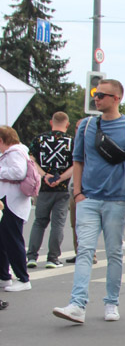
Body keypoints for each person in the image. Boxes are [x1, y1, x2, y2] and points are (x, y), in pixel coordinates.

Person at [53, 79, 125, 324]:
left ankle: (111, 303)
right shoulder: (86, 126)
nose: (97, 98)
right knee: (84, 251)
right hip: (88, 199)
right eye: (96, 94)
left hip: (117, 200)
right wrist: (78, 194)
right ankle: (77, 304)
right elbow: (78, 161)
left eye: (102, 95)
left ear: (116, 99)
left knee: (114, 253)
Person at [26, 111, 73, 268]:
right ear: (67, 124)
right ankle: (52, 258)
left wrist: (45, 175)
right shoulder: (72, 142)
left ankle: (31, 256)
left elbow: (31, 159)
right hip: (62, 188)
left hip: (44, 188)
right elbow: (76, 164)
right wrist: (60, 178)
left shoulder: (39, 140)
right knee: (58, 224)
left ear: (51, 123)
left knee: (39, 222)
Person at [0, 126, 33, 291]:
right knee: (4, 240)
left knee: (13, 240)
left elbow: (18, 173)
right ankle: (4, 276)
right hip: (10, 201)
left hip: (12, 202)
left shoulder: (14, 153)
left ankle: (23, 278)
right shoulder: (17, 151)